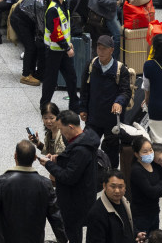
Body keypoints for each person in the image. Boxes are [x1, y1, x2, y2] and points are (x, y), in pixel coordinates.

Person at [42, 110, 99, 243]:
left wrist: (49, 165)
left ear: (71, 127)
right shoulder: (83, 140)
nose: (61, 133)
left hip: (75, 202)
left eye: (61, 129)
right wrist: (59, 158)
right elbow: (72, 161)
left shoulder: (81, 149)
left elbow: (68, 177)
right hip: (80, 196)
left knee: (72, 232)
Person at [80, 34, 134, 166]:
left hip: (113, 121)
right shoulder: (91, 65)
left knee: (111, 153)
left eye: (104, 49)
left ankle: (111, 177)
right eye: (98, 48)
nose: (100, 51)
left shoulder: (120, 69)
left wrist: (119, 102)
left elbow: (125, 91)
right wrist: (82, 109)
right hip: (94, 118)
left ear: (111, 50)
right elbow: (84, 90)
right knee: (86, 148)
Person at [40, 0, 79, 112]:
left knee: (71, 77)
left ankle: (74, 104)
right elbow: (55, 33)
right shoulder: (53, 10)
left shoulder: (63, 6)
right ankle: (45, 105)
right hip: (54, 50)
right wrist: (66, 47)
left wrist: (69, 43)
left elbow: (65, 28)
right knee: (50, 80)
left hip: (63, 49)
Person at [129, 137, 162, 237]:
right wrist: (161, 186)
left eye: (150, 150)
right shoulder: (136, 170)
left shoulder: (155, 165)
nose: (149, 153)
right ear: (137, 154)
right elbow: (152, 193)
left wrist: (158, 187)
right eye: (145, 151)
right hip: (141, 215)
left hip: (155, 211)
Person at [84, 169, 135, 243]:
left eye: (120, 187)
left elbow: (126, 228)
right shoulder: (97, 213)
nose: (117, 191)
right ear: (104, 186)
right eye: (113, 186)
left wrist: (136, 234)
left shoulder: (124, 202)